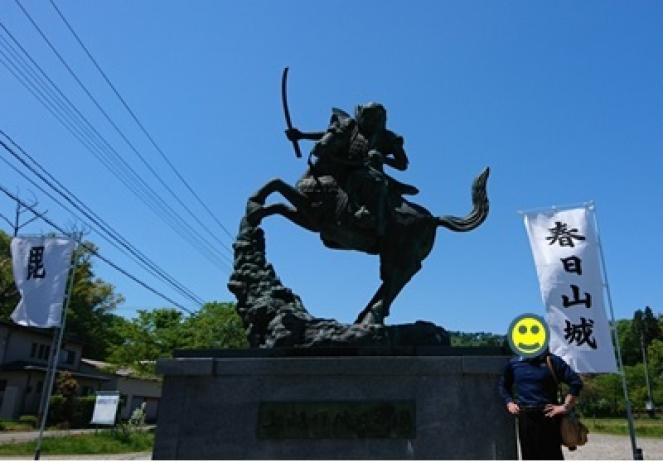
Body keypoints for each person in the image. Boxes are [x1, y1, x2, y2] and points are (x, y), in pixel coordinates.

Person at [286, 102, 416, 237]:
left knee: (368, 180)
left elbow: (402, 164)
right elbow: (333, 134)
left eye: (373, 119)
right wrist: (302, 135)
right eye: (366, 117)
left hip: (368, 170)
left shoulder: (388, 137)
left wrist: (382, 158)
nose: (369, 121)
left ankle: (370, 218)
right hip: (343, 165)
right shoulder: (352, 126)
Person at [498, 349, 583, 459]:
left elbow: (576, 382)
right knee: (529, 456)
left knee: (552, 456)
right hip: (525, 416)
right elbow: (503, 386)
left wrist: (565, 407)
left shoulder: (552, 361)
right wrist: (509, 402)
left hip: (548, 415)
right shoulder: (514, 363)